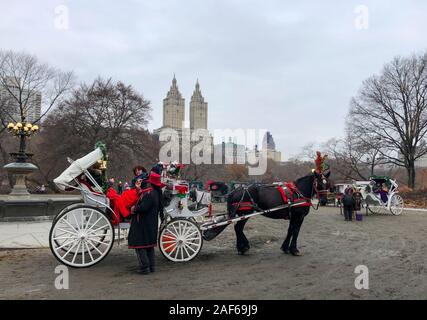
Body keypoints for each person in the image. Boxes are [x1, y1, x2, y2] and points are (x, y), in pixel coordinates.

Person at [128, 170, 165, 275]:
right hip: (150, 223)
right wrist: (139, 191)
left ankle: (144, 267)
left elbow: (143, 207)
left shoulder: (150, 194)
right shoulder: (155, 193)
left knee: (140, 246)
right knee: (149, 246)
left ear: (151, 183)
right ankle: (151, 266)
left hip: (143, 224)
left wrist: (134, 208)